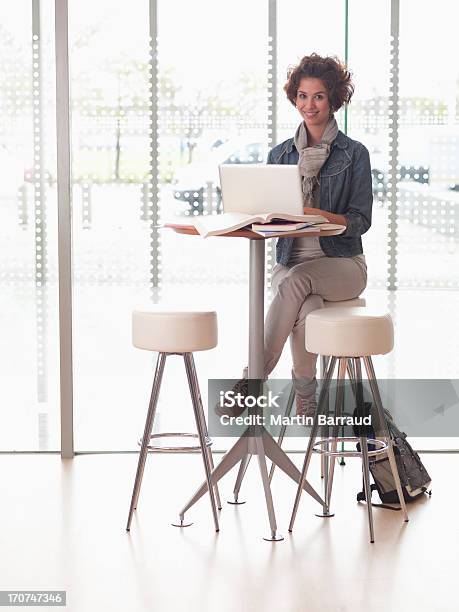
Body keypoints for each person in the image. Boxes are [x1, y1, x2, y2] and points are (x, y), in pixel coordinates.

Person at [219, 53, 372, 418]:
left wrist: (320, 216)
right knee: (307, 305)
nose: (309, 105)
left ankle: (252, 378)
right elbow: (269, 212)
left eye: (318, 96)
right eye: (302, 96)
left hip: (342, 264)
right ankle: (306, 395)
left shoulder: (355, 154)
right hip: (290, 263)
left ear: (333, 99)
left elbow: (361, 220)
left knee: (300, 283)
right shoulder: (280, 154)